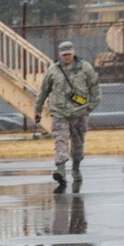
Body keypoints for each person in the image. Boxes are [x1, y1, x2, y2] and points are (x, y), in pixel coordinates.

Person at [33, 41, 100, 191]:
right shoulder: (53, 71)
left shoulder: (85, 68)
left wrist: (90, 107)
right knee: (60, 140)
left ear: (74, 52)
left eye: (69, 54)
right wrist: (37, 108)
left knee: (78, 143)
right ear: (59, 55)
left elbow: (95, 88)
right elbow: (43, 90)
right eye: (64, 55)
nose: (67, 57)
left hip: (80, 112)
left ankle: (76, 168)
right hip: (59, 113)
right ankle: (61, 171)